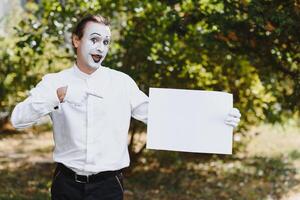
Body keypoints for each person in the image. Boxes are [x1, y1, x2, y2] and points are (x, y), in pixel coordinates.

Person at [10, 14, 241, 200]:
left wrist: (217, 117)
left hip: (108, 187)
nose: (100, 47)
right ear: (76, 40)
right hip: (66, 185)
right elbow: (18, 118)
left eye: (106, 42)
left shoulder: (122, 83)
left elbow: (161, 115)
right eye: (94, 39)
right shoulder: (54, 81)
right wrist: (57, 96)